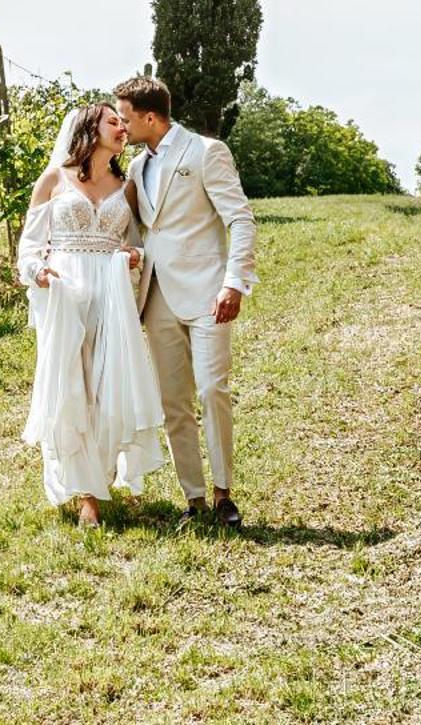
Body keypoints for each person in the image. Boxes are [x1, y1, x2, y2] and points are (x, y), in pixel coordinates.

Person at [115, 76, 257, 530]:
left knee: (214, 389)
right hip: (156, 297)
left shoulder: (205, 152)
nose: (121, 125)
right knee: (173, 400)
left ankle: (223, 494)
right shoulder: (136, 169)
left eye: (126, 117)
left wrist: (234, 283)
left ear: (150, 117)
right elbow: (141, 231)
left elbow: (240, 219)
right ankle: (193, 497)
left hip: (208, 292)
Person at [15, 103, 167, 527]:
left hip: (112, 290)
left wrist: (134, 256)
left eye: (123, 122)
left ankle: (100, 481)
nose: (122, 127)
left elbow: (138, 241)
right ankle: (85, 494)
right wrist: (37, 271)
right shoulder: (53, 179)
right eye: (113, 121)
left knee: (108, 385)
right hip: (65, 290)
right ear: (88, 128)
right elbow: (29, 245)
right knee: (72, 384)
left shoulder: (126, 184)